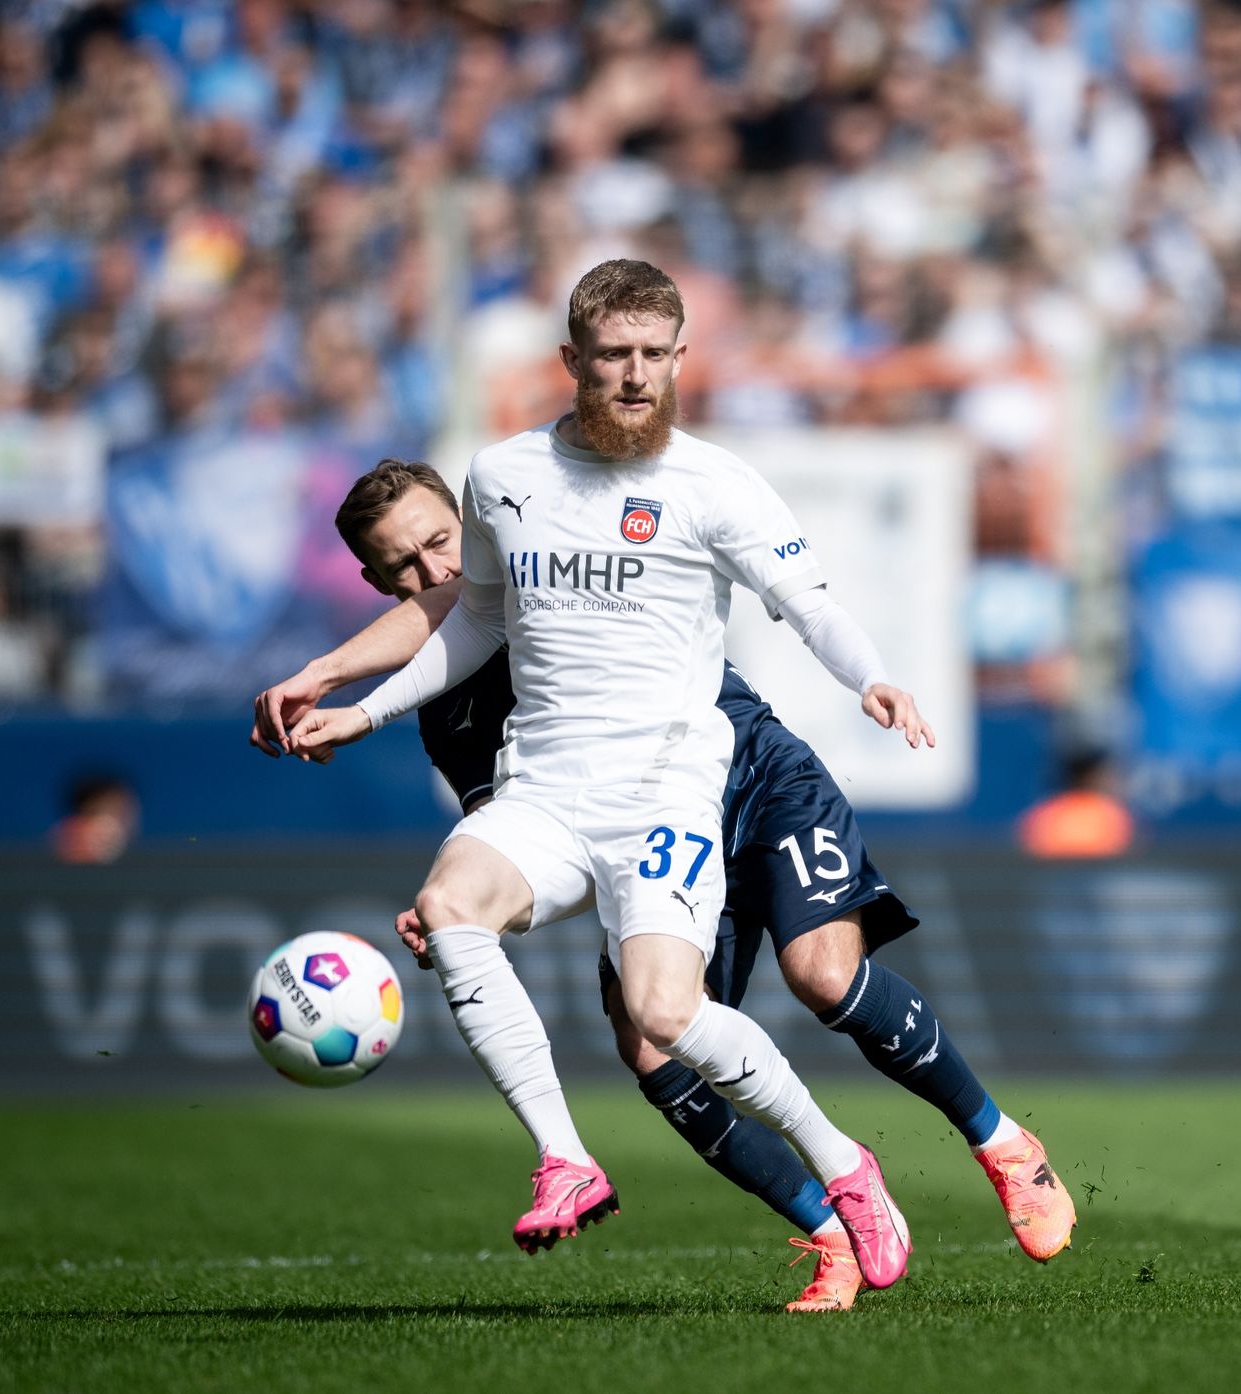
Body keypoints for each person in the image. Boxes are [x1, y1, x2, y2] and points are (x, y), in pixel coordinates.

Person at [254, 455, 1077, 1309]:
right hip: (643, 828)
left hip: (749, 779)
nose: (435, 571)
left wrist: (330, 678)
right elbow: (520, 817)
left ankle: (1003, 1143)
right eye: (404, 567)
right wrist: (470, 889)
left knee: (823, 974)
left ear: (476, 524)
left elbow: (457, 607)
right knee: (654, 1048)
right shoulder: (447, 706)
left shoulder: (541, 566)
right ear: (372, 579)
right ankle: (828, 1231)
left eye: (441, 541)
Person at [269, 262, 921, 1303]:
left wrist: (872, 677)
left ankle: (842, 1162)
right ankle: (565, 1158)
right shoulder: (502, 476)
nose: (630, 374)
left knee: (667, 1015)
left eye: (649, 354)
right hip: (546, 784)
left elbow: (806, 598)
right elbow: (472, 615)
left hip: (665, 781)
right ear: (569, 361)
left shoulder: (710, 479)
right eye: (610, 354)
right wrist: (361, 708)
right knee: (448, 907)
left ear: (675, 357)